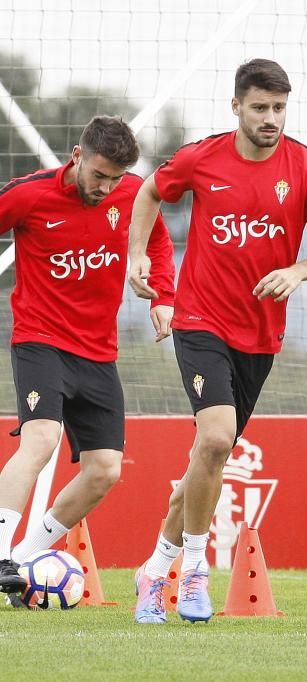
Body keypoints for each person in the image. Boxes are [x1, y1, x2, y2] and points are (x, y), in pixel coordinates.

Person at [128, 58, 307, 625]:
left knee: (209, 455)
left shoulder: (305, 169)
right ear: (236, 107)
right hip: (200, 321)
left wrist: (299, 271)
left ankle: (155, 569)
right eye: (260, 108)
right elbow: (150, 190)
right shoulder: (204, 157)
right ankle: (197, 572)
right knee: (217, 436)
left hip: (261, 336)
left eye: (279, 108)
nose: (271, 118)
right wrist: (138, 258)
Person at [0, 115, 175, 602]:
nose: (106, 187)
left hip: (98, 352)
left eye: (116, 178)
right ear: (77, 156)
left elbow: (157, 238)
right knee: (41, 439)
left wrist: (163, 295)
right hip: (40, 340)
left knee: (105, 470)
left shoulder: (134, 195)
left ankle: (28, 561)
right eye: (99, 175)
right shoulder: (30, 194)